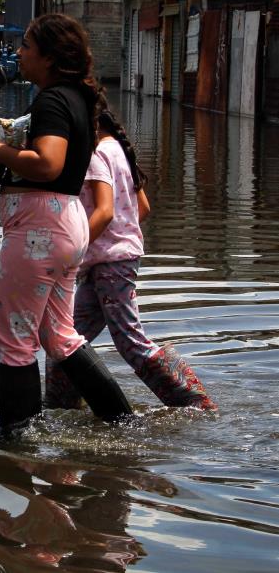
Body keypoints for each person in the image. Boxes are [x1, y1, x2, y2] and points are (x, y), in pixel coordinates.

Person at [0, 14, 133, 431]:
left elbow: (49, 163)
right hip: (64, 228)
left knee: (14, 339)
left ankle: (19, 448)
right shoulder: (76, 99)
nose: (19, 52)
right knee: (59, 336)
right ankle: (123, 423)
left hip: (39, 232)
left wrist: (1, 153)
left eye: (27, 45)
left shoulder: (52, 100)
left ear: (49, 57)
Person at [45, 108, 217, 411]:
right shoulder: (117, 150)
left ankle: (197, 404)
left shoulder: (98, 152)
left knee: (130, 342)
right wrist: (117, 239)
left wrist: (75, 251)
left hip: (110, 263)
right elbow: (143, 208)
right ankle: (60, 409)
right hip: (108, 261)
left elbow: (106, 212)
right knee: (63, 339)